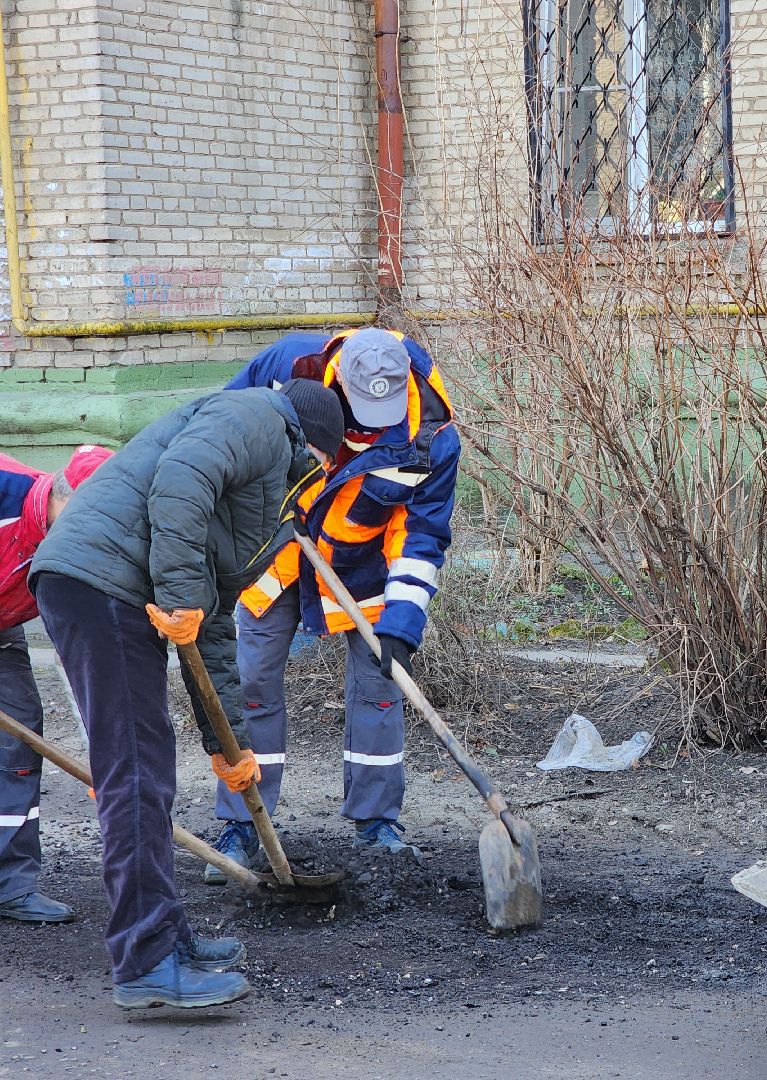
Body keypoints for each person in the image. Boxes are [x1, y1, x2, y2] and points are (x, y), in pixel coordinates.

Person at [29, 379, 343, 1009]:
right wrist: (177, 596)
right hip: (101, 583)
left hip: (109, 586)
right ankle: (146, 961)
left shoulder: (257, 490)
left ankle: (168, 935)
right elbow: (179, 481)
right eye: (325, 464)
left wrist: (229, 742)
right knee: (138, 774)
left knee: (152, 766)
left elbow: (215, 620)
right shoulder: (255, 417)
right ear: (316, 446)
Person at [206, 327, 458, 876]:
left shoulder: (431, 436)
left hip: (359, 566)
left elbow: (422, 535)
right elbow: (216, 438)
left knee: (380, 685)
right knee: (250, 683)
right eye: (361, 411)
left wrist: (403, 622)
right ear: (339, 380)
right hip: (273, 554)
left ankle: (376, 822)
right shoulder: (286, 367)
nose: (370, 426)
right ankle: (243, 823)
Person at [0, 444, 113, 923]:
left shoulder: (71, 550)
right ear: (70, 500)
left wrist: (105, 764)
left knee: (20, 737)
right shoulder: (7, 494)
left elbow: (76, 653)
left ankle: (11, 884)